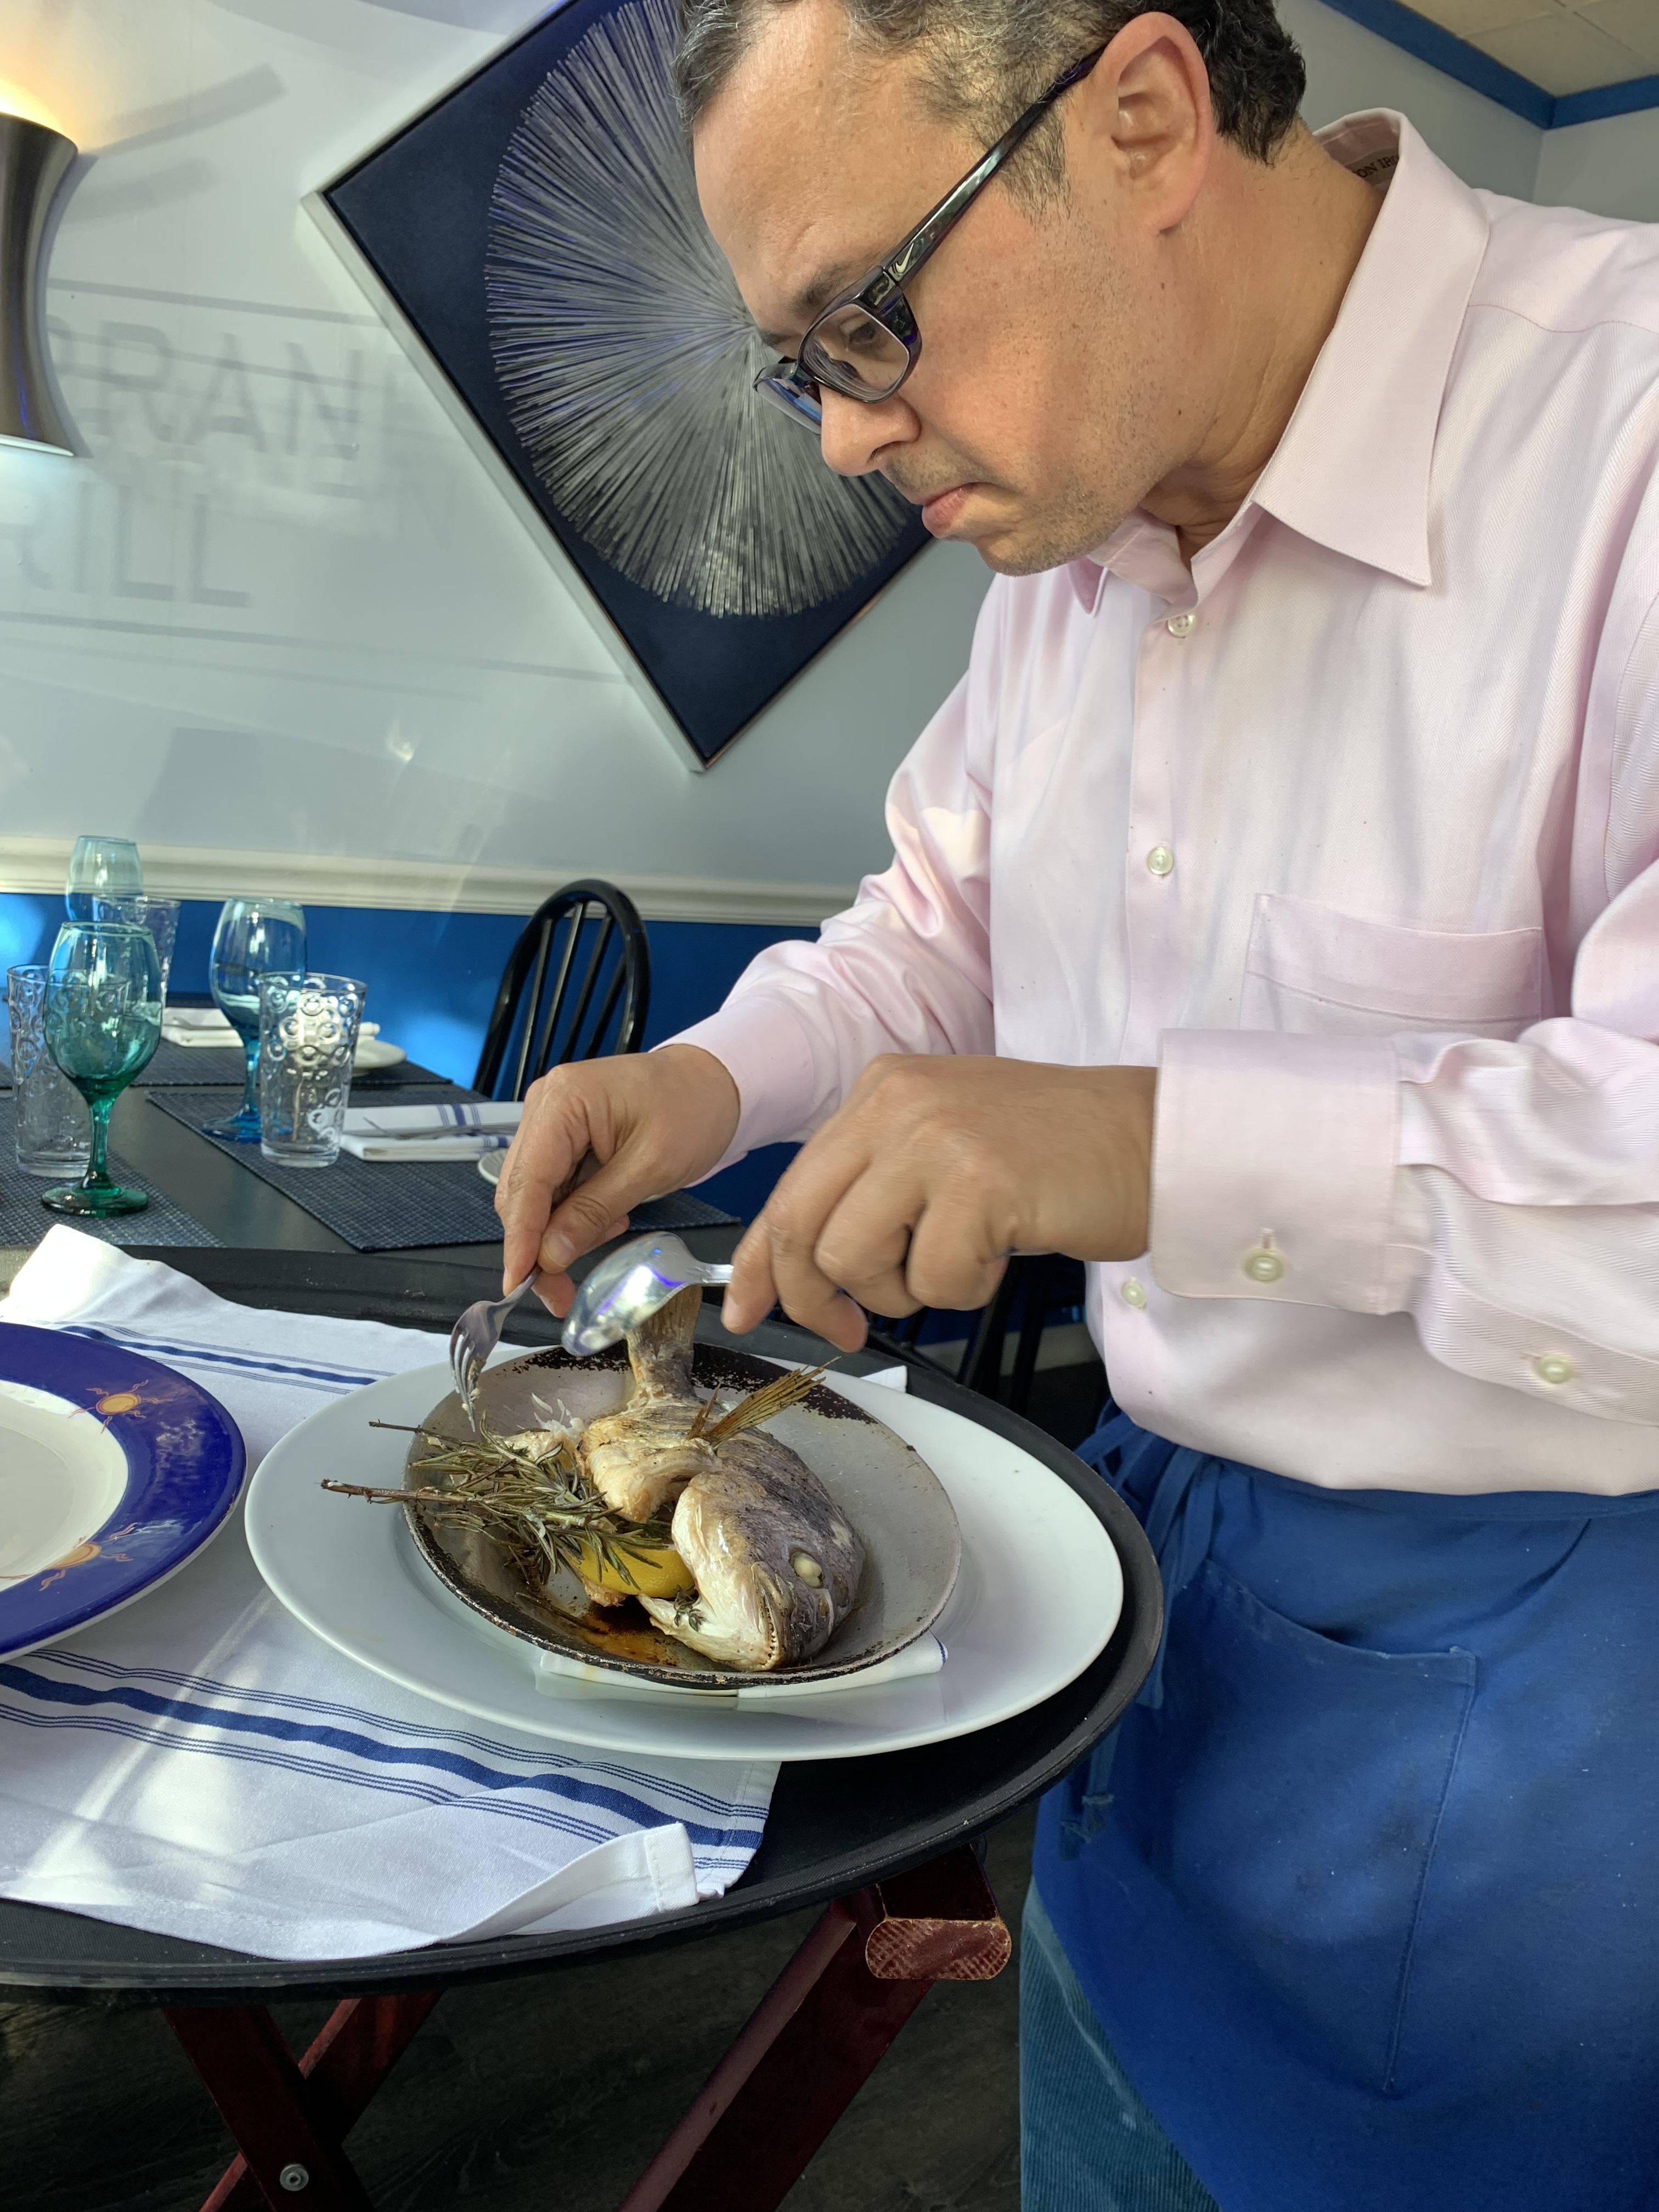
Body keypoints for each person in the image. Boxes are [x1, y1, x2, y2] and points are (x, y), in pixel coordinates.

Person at [494, 0, 1659, 2203]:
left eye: (863, 317)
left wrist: (1133, 1141)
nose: (846, 436)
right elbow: (939, 922)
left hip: (1549, 1722)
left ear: (1140, 117)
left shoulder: (1626, 439)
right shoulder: (1074, 537)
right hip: (1147, 1618)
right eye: (799, 363)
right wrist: (704, 1080)